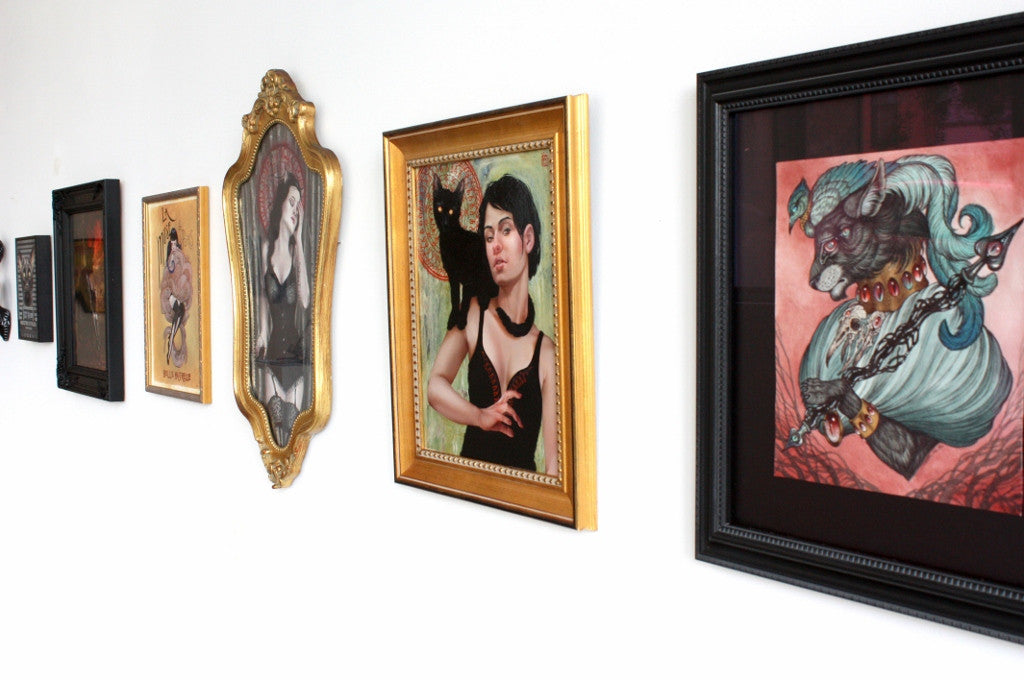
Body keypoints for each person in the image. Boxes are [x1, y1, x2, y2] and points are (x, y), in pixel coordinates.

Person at [427, 174, 557, 475]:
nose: (495, 245)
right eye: (488, 237)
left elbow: (554, 466)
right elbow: (435, 388)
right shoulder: (474, 313)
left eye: (505, 230)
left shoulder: (547, 353)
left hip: (519, 498)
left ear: (527, 239)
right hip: (467, 490)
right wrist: (479, 416)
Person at [254, 173, 311, 446]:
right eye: (291, 202)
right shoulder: (266, 250)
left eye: (298, 205)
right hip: (272, 357)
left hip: (296, 359)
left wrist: (298, 241)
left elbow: (305, 300)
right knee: (273, 432)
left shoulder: (296, 252)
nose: (295, 210)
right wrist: (261, 334)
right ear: (279, 204)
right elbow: (263, 300)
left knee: (293, 432)